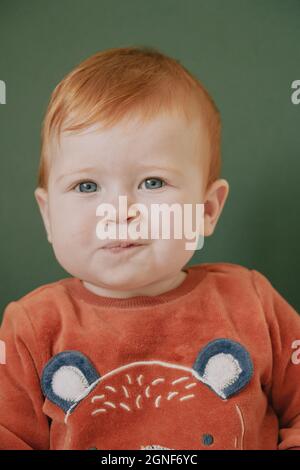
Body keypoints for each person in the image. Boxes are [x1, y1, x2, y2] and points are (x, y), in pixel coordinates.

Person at [0, 46, 299, 450]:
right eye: (86, 186)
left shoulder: (253, 304)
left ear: (206, 210)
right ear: (48, 215)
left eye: (152, 183)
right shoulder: (30, 329)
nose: (119, 212)